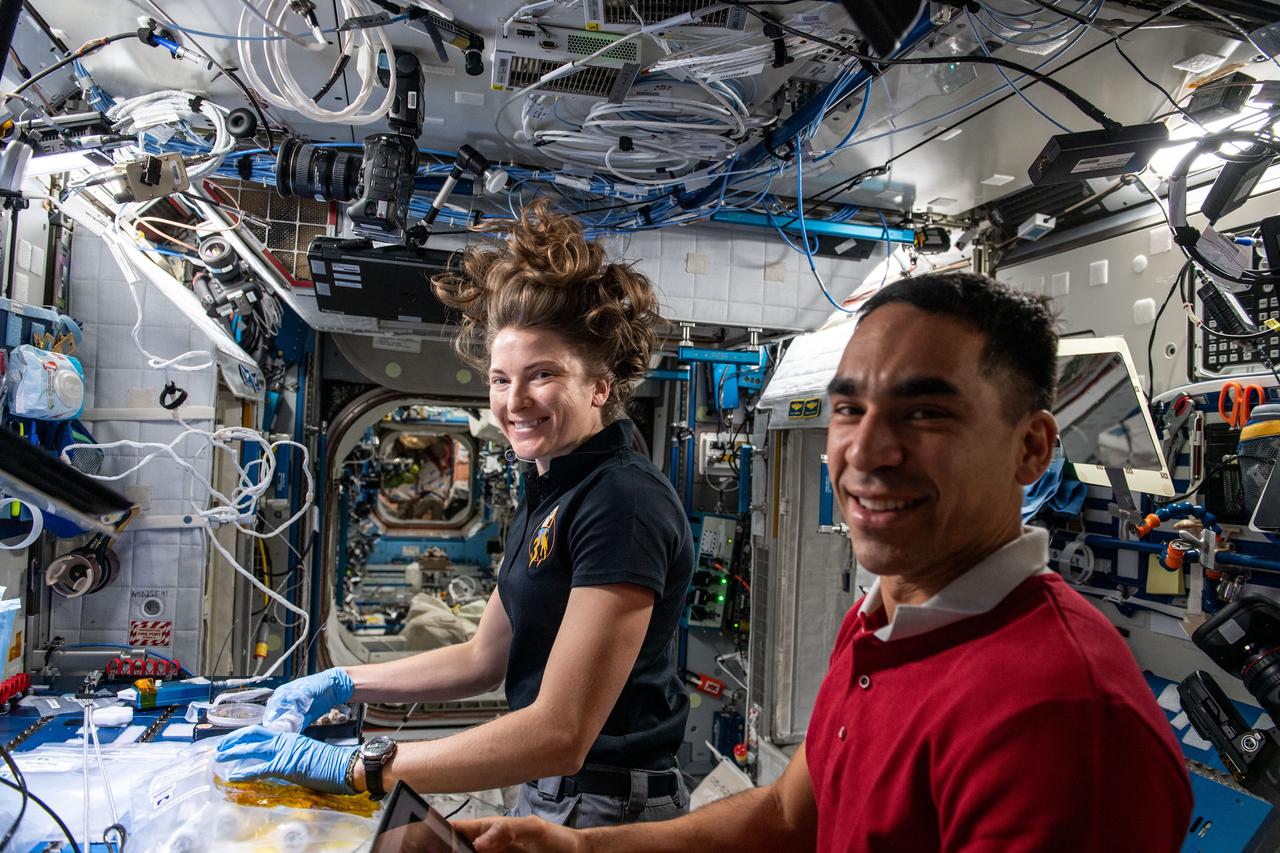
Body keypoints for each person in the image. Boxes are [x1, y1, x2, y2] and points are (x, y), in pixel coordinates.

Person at [453, 272, 1193, 852]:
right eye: (848, 409)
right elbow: (788, 814)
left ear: (1031, 448)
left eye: (925, 412)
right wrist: (585, 849)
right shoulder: (882, 624)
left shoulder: (1065, 717)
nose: (866, 451)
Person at [215, 199, 695, 827]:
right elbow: (480, 659)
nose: (514, 402)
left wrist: (357, 767)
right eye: (500, 379)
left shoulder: (620, 500)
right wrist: (344, 681)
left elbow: (562, 733)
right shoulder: (552, 487)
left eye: (542, 375)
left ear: (599, 387)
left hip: (607, 803)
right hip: (558, 790)